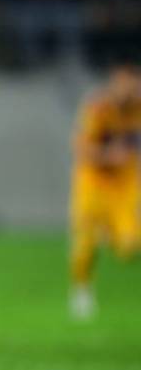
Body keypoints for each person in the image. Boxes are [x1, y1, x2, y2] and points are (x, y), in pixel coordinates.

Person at [69, 64, 141, 320]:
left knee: (129, 248)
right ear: (115, 81)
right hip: (93, 183)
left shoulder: (138, 109)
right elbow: (80, 149)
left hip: (123, 186)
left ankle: (108, 232)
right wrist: (109, 156)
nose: (130, 89)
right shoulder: (97, 108)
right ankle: (81, 290)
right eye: (126, 83)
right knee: (84, 243)